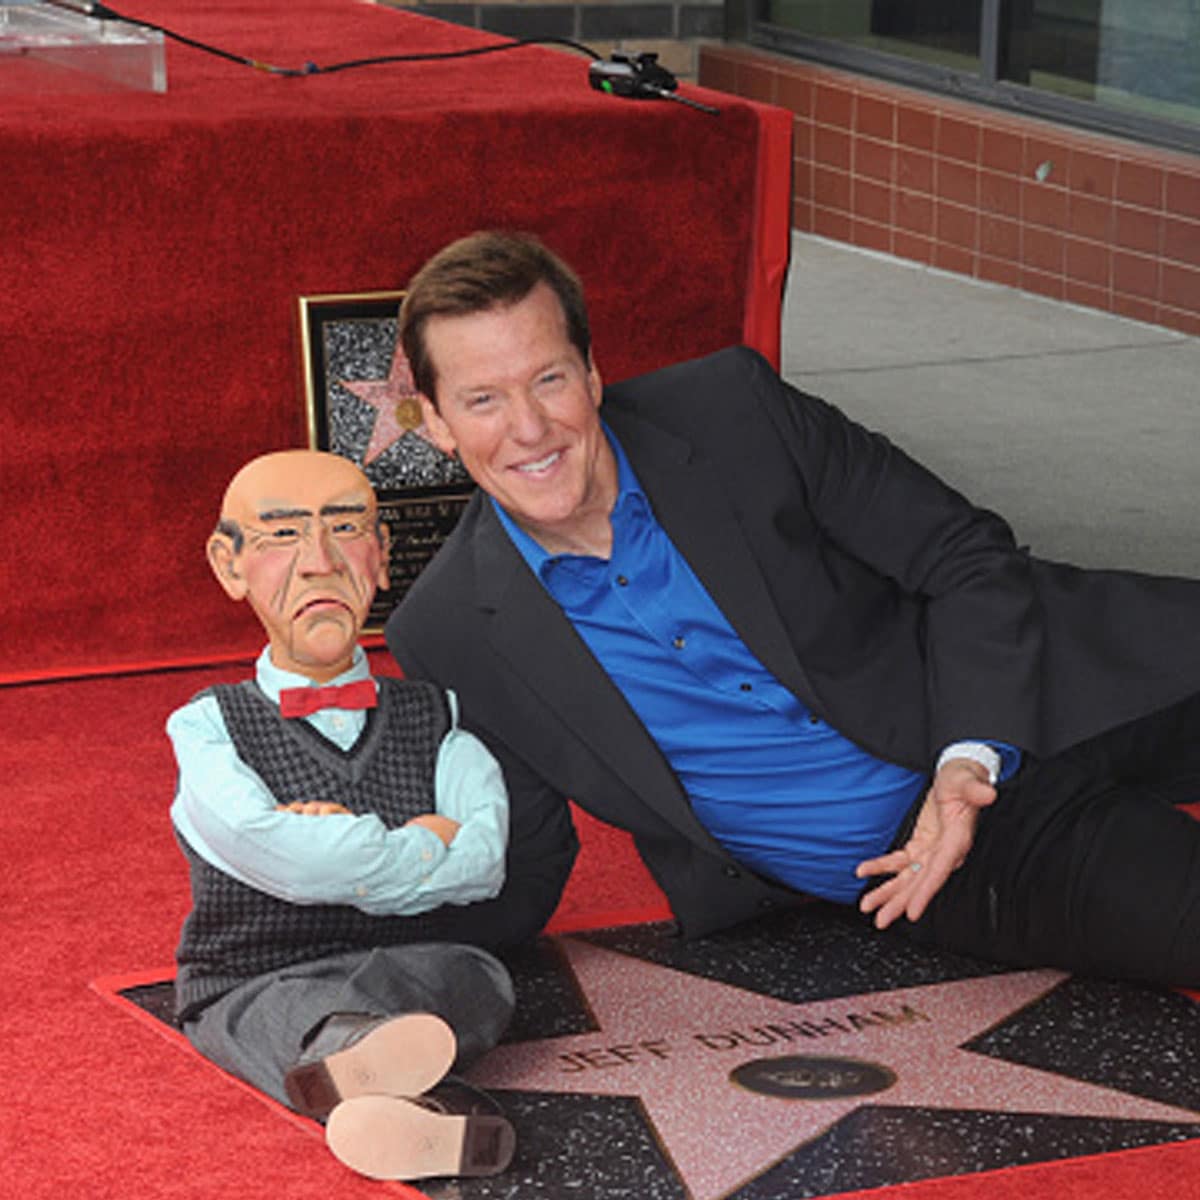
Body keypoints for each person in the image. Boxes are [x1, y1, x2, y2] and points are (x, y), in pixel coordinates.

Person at [386, 230, 1200, 990]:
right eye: (484, 399)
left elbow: (965, 555)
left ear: (593, 373)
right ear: (438, 426)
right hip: (938, 856)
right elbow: (521, 849)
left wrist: (969, 754)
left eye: (549, 379)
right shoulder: (449, 629)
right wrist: (352, 934)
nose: (529, 428)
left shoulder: (732, 411)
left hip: (1041, 668)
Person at [167, 449, 567, 1180]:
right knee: (275, 1017)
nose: (319, 561)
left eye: (345, 528)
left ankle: (360, 1078)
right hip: (259, 975)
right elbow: (286, 858)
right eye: (283, 536)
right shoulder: (208, 727)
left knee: (481, 977)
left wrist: (330, 839)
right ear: (229, 566)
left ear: (381, 556)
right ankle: (425, 1103)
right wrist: (420, 842)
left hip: (415, 961)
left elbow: (482, 863)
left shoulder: (435, 711)